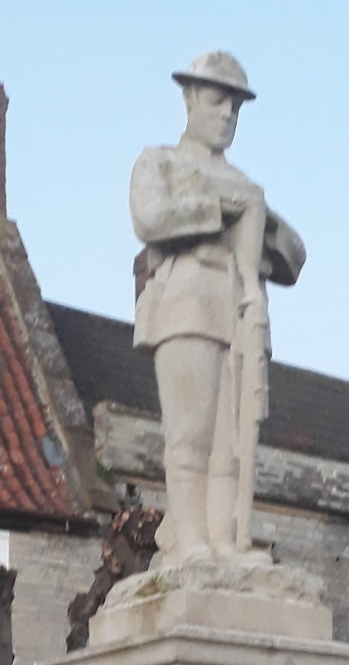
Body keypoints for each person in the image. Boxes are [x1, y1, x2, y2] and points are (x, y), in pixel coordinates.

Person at [130, 51, 305, 561]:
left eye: (236, 107)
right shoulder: (160, 160)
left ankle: (226, 541)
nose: (228, 115)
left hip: (240, 306)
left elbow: (294, 257)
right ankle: (191, 541)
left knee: (232, 438)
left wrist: (259, 220)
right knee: (192, 430)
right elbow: (150, 218)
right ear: (189, 99)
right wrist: (219, 210)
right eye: (217, 101)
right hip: (187, 299)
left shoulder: (246, 185)